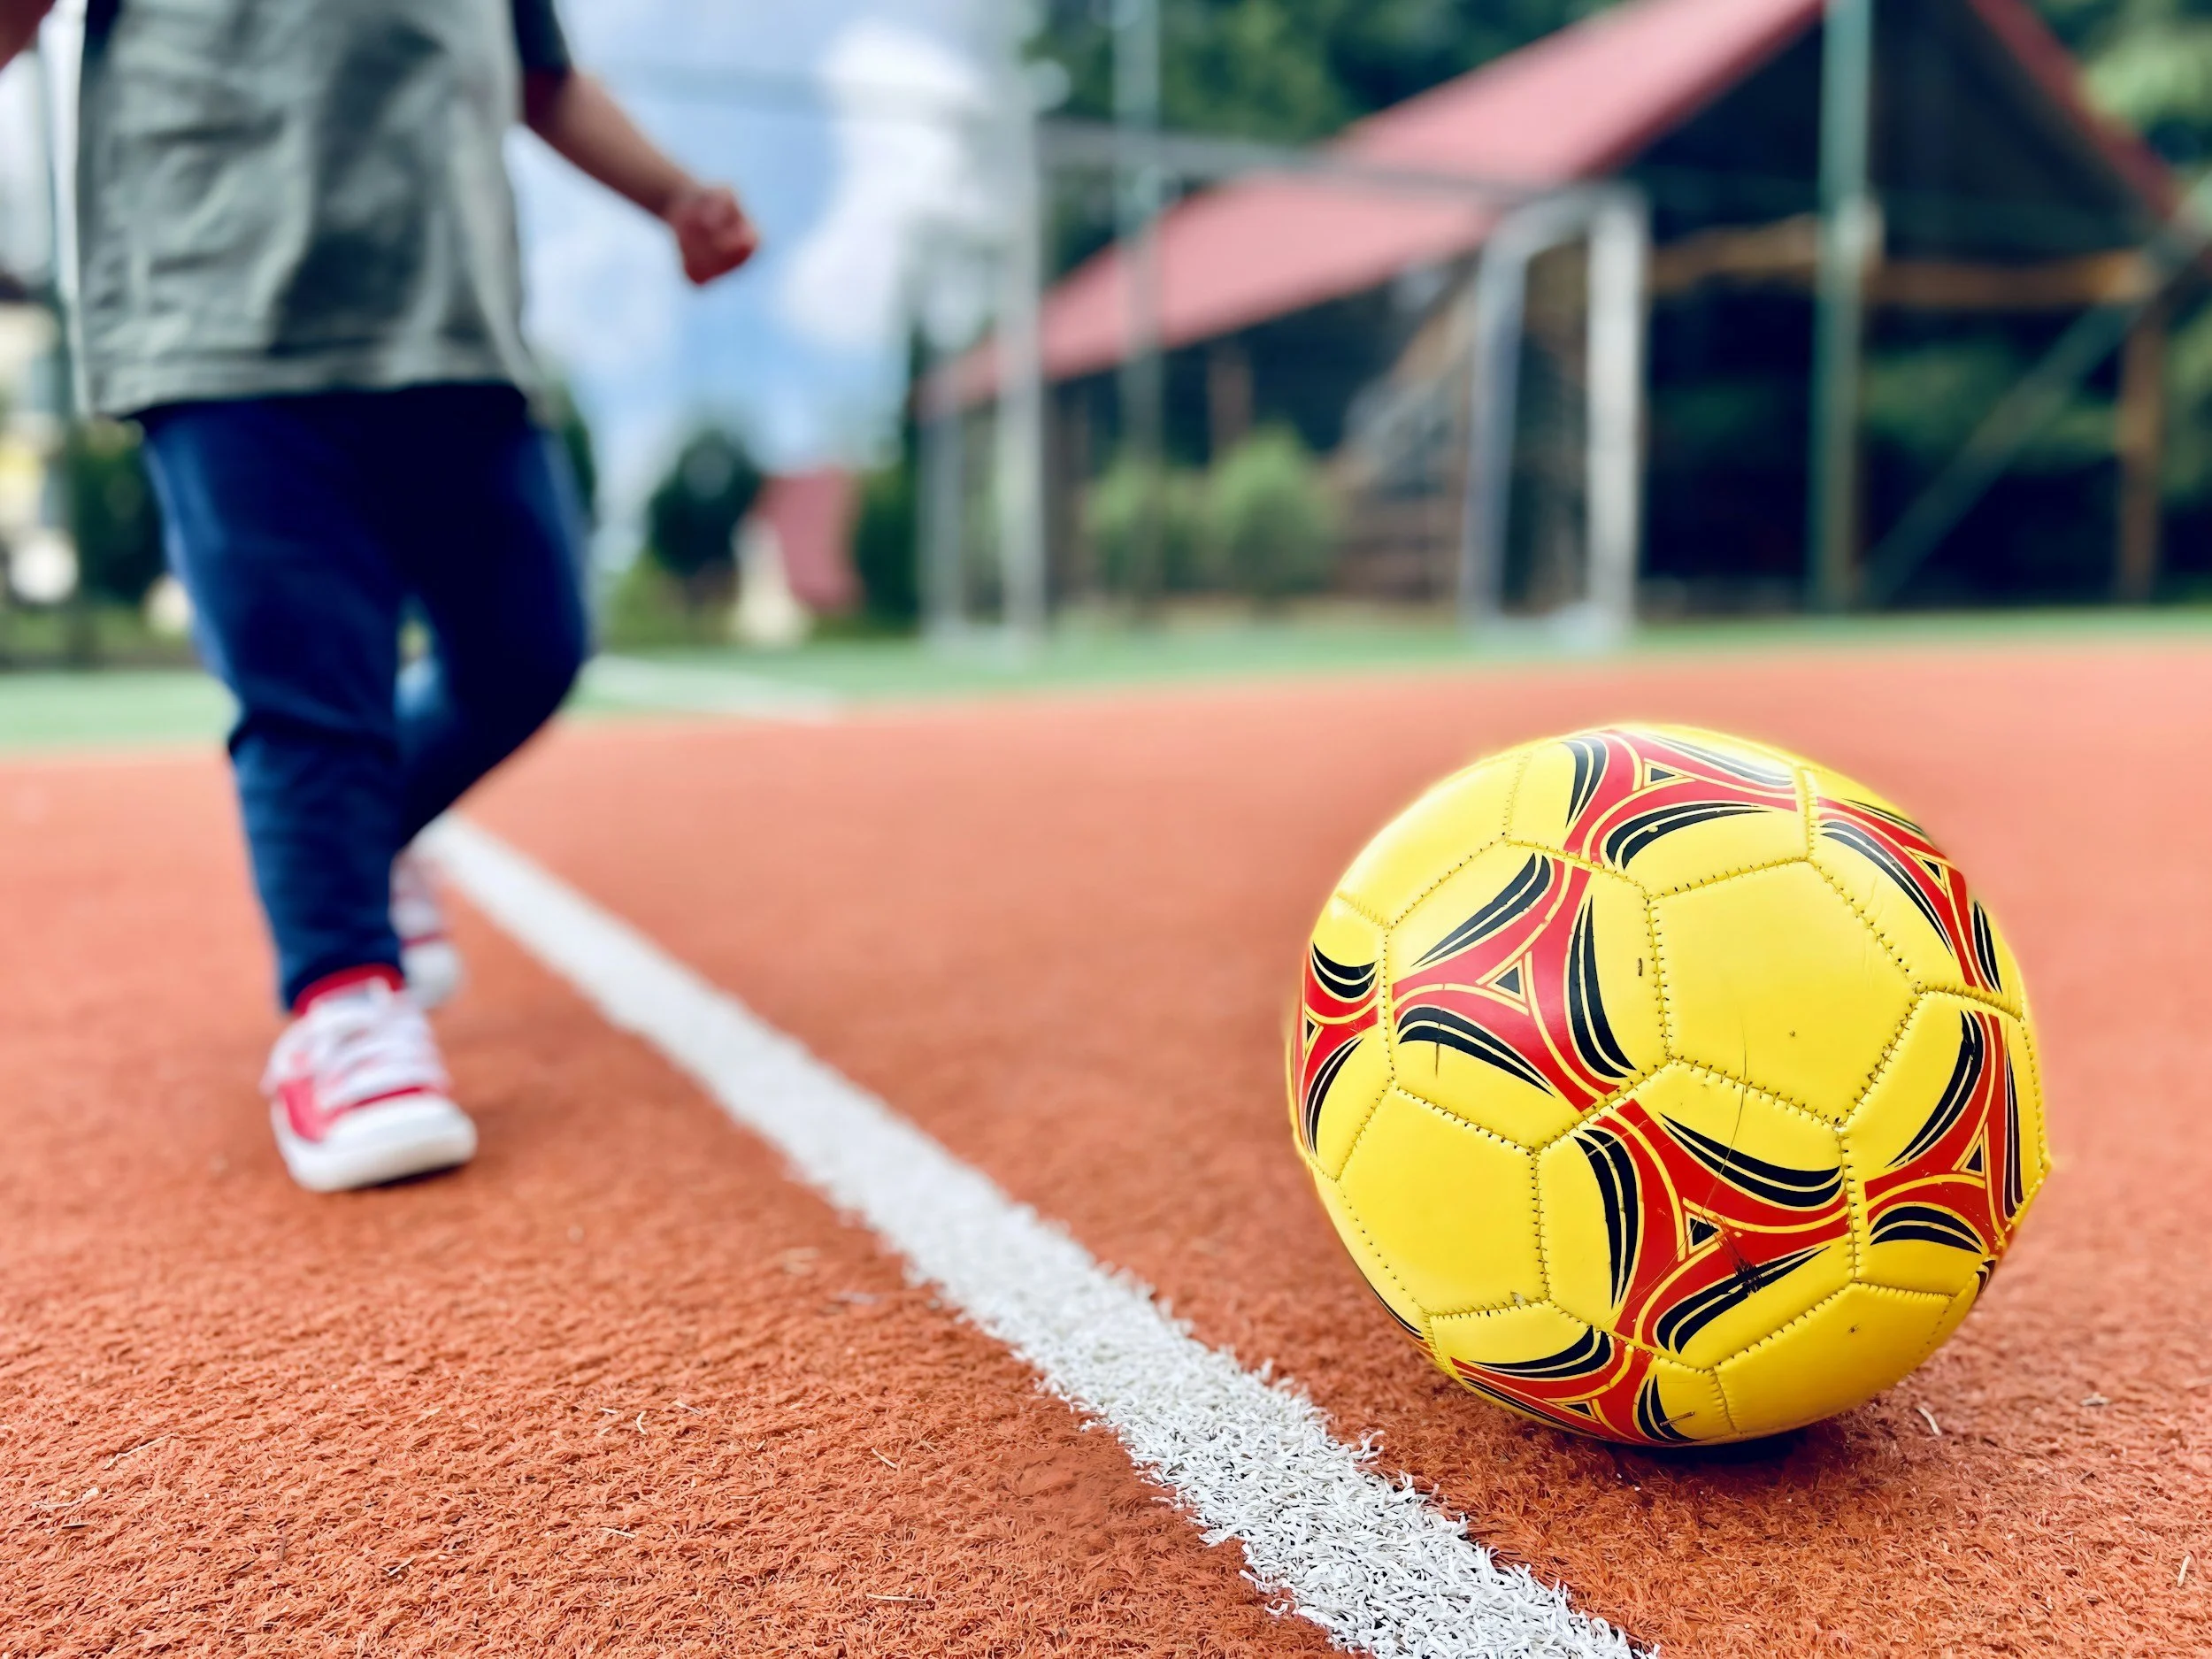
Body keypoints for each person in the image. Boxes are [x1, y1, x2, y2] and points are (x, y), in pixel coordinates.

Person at [0, 0, 758, 1191]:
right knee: (312, 684)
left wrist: (672, 196)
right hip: (221, 324)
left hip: (453, 322)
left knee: (529, 648)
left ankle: (371, 833)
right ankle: (342, 1001)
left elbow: (539, 78)